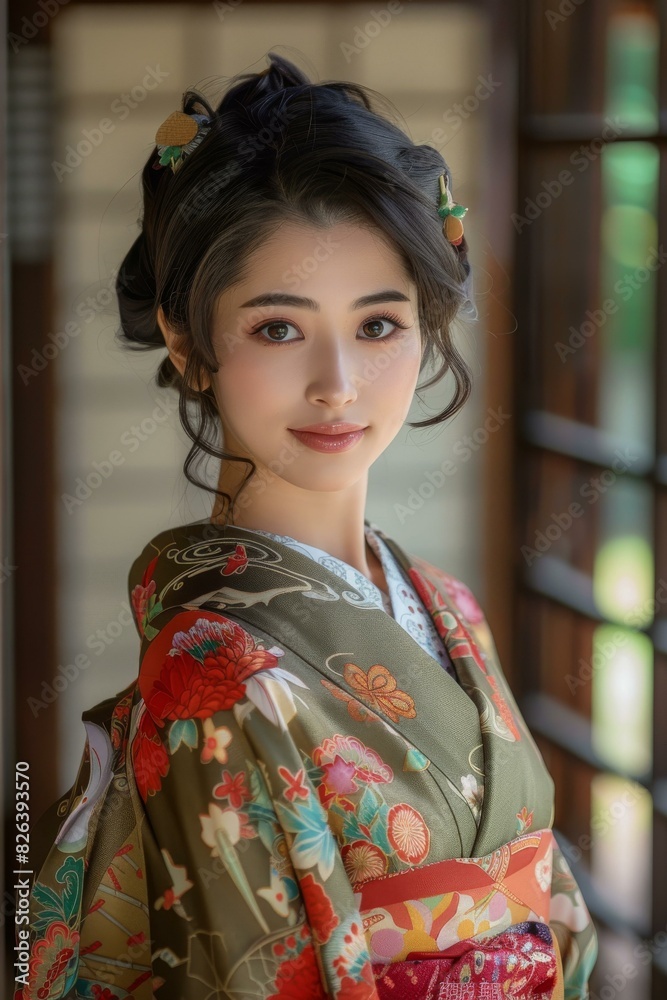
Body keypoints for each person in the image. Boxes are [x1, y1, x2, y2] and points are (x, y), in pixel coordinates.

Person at [18, 51, 597, 999]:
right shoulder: (212, 667)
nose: (337, 383)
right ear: (186, 340)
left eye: (378, 325)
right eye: (278, 328)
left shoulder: (444, 606)